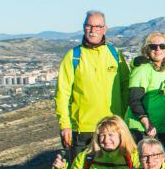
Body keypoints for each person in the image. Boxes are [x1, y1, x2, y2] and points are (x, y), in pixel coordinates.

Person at [55, 11, 130, 157]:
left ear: (105, 29)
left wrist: (123, 119)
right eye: (89, 26)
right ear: (84, 27)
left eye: (97, 26)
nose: (93, 30)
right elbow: (62, 94)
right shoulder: (73, 57)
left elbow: (126, 87)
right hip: (83, 130)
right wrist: (65, 125)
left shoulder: (115, 54)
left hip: (112, 128)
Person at [125, 32, 165, 141]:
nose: (158, 49)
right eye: (153, 46)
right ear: (147, 49)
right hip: (141, 129)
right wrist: (147, 124)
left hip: (160, 129)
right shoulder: (142, 69)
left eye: (162, 46)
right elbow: (134, 100)